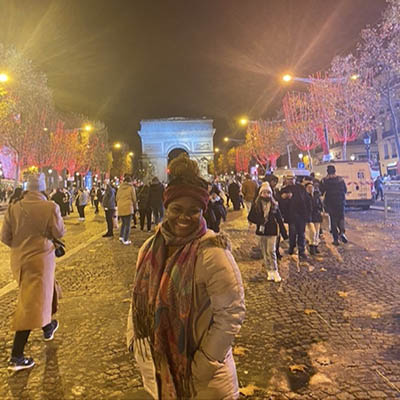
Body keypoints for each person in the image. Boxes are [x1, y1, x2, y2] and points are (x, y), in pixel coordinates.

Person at [127, 154, 245, 399]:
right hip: (160, 372)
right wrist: (133, 341)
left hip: (204, 381)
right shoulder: (149, 248)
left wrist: (205, 364)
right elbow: (137, 300)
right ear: (166, 207)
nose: (184, 216)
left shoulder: (212, 251)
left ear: (203, 212)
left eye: (194, 210)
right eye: (176, 209)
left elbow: (231, 314)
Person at [1, 174, 65, 371]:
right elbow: (59, 232)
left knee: (41, 294)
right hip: (41, 261)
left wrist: (22, 247)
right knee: (30, 303)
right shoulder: (50, 207)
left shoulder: (13, 208)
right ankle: (17, 356)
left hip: (20, 260)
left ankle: (48, 327)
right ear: (43, 188)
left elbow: (5, 237)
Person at [248, 184, 288, 282]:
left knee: (271, 251)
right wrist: (260, 221)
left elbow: (279, 219)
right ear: (260, 193)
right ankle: (269, 271)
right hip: (261, 232)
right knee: (265, 252)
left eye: (268, 192)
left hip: (272, 231)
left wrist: (284, 233)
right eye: (264, 192)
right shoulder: (256, 205)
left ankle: (275, 270)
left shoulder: (274, 205)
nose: (266, 194)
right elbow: (250, 217)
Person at [279, 171, 311, 259]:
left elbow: (307, 201)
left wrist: (308, 213)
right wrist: (284, 199)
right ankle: (291, 248)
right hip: (291, 216)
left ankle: (301, 250)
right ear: (285, 180)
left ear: (295, 179)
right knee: (292, 233)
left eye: (292, 179)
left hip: (301, 215)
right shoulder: (284, 190)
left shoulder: (301, 188)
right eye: (288, 179)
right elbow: (281, 205)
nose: (290, 181)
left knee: (301, 233)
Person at [320, 165, 348, 246]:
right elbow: (345, 190)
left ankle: (335, 239)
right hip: (340, 201)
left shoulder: (325, 180)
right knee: (341, 217)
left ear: (327, 171)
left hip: (330, 202)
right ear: (335, 171)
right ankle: (342, 232)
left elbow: (321, 191)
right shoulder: (340, 179)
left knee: (333, 220)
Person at [116, 175, 137, 245]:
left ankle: (121, 236)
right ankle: (126, 239)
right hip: (128, 207)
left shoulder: (120, 188)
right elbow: (134, 199)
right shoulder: (131, 188)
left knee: (123, 223)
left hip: (120, 207)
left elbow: (117, 198)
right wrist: (135, 207)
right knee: (128, 224)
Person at [305, 182, 323, 255]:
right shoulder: (305, 196)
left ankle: (315, 246)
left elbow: (320, 205)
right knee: (312, 232)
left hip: (317, 216)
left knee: (317, 232)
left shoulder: (316, 196)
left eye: (311, 187)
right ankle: (311, 246)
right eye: (308, 188)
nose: (310, 189)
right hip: (309, 217)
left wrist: (320, 210)